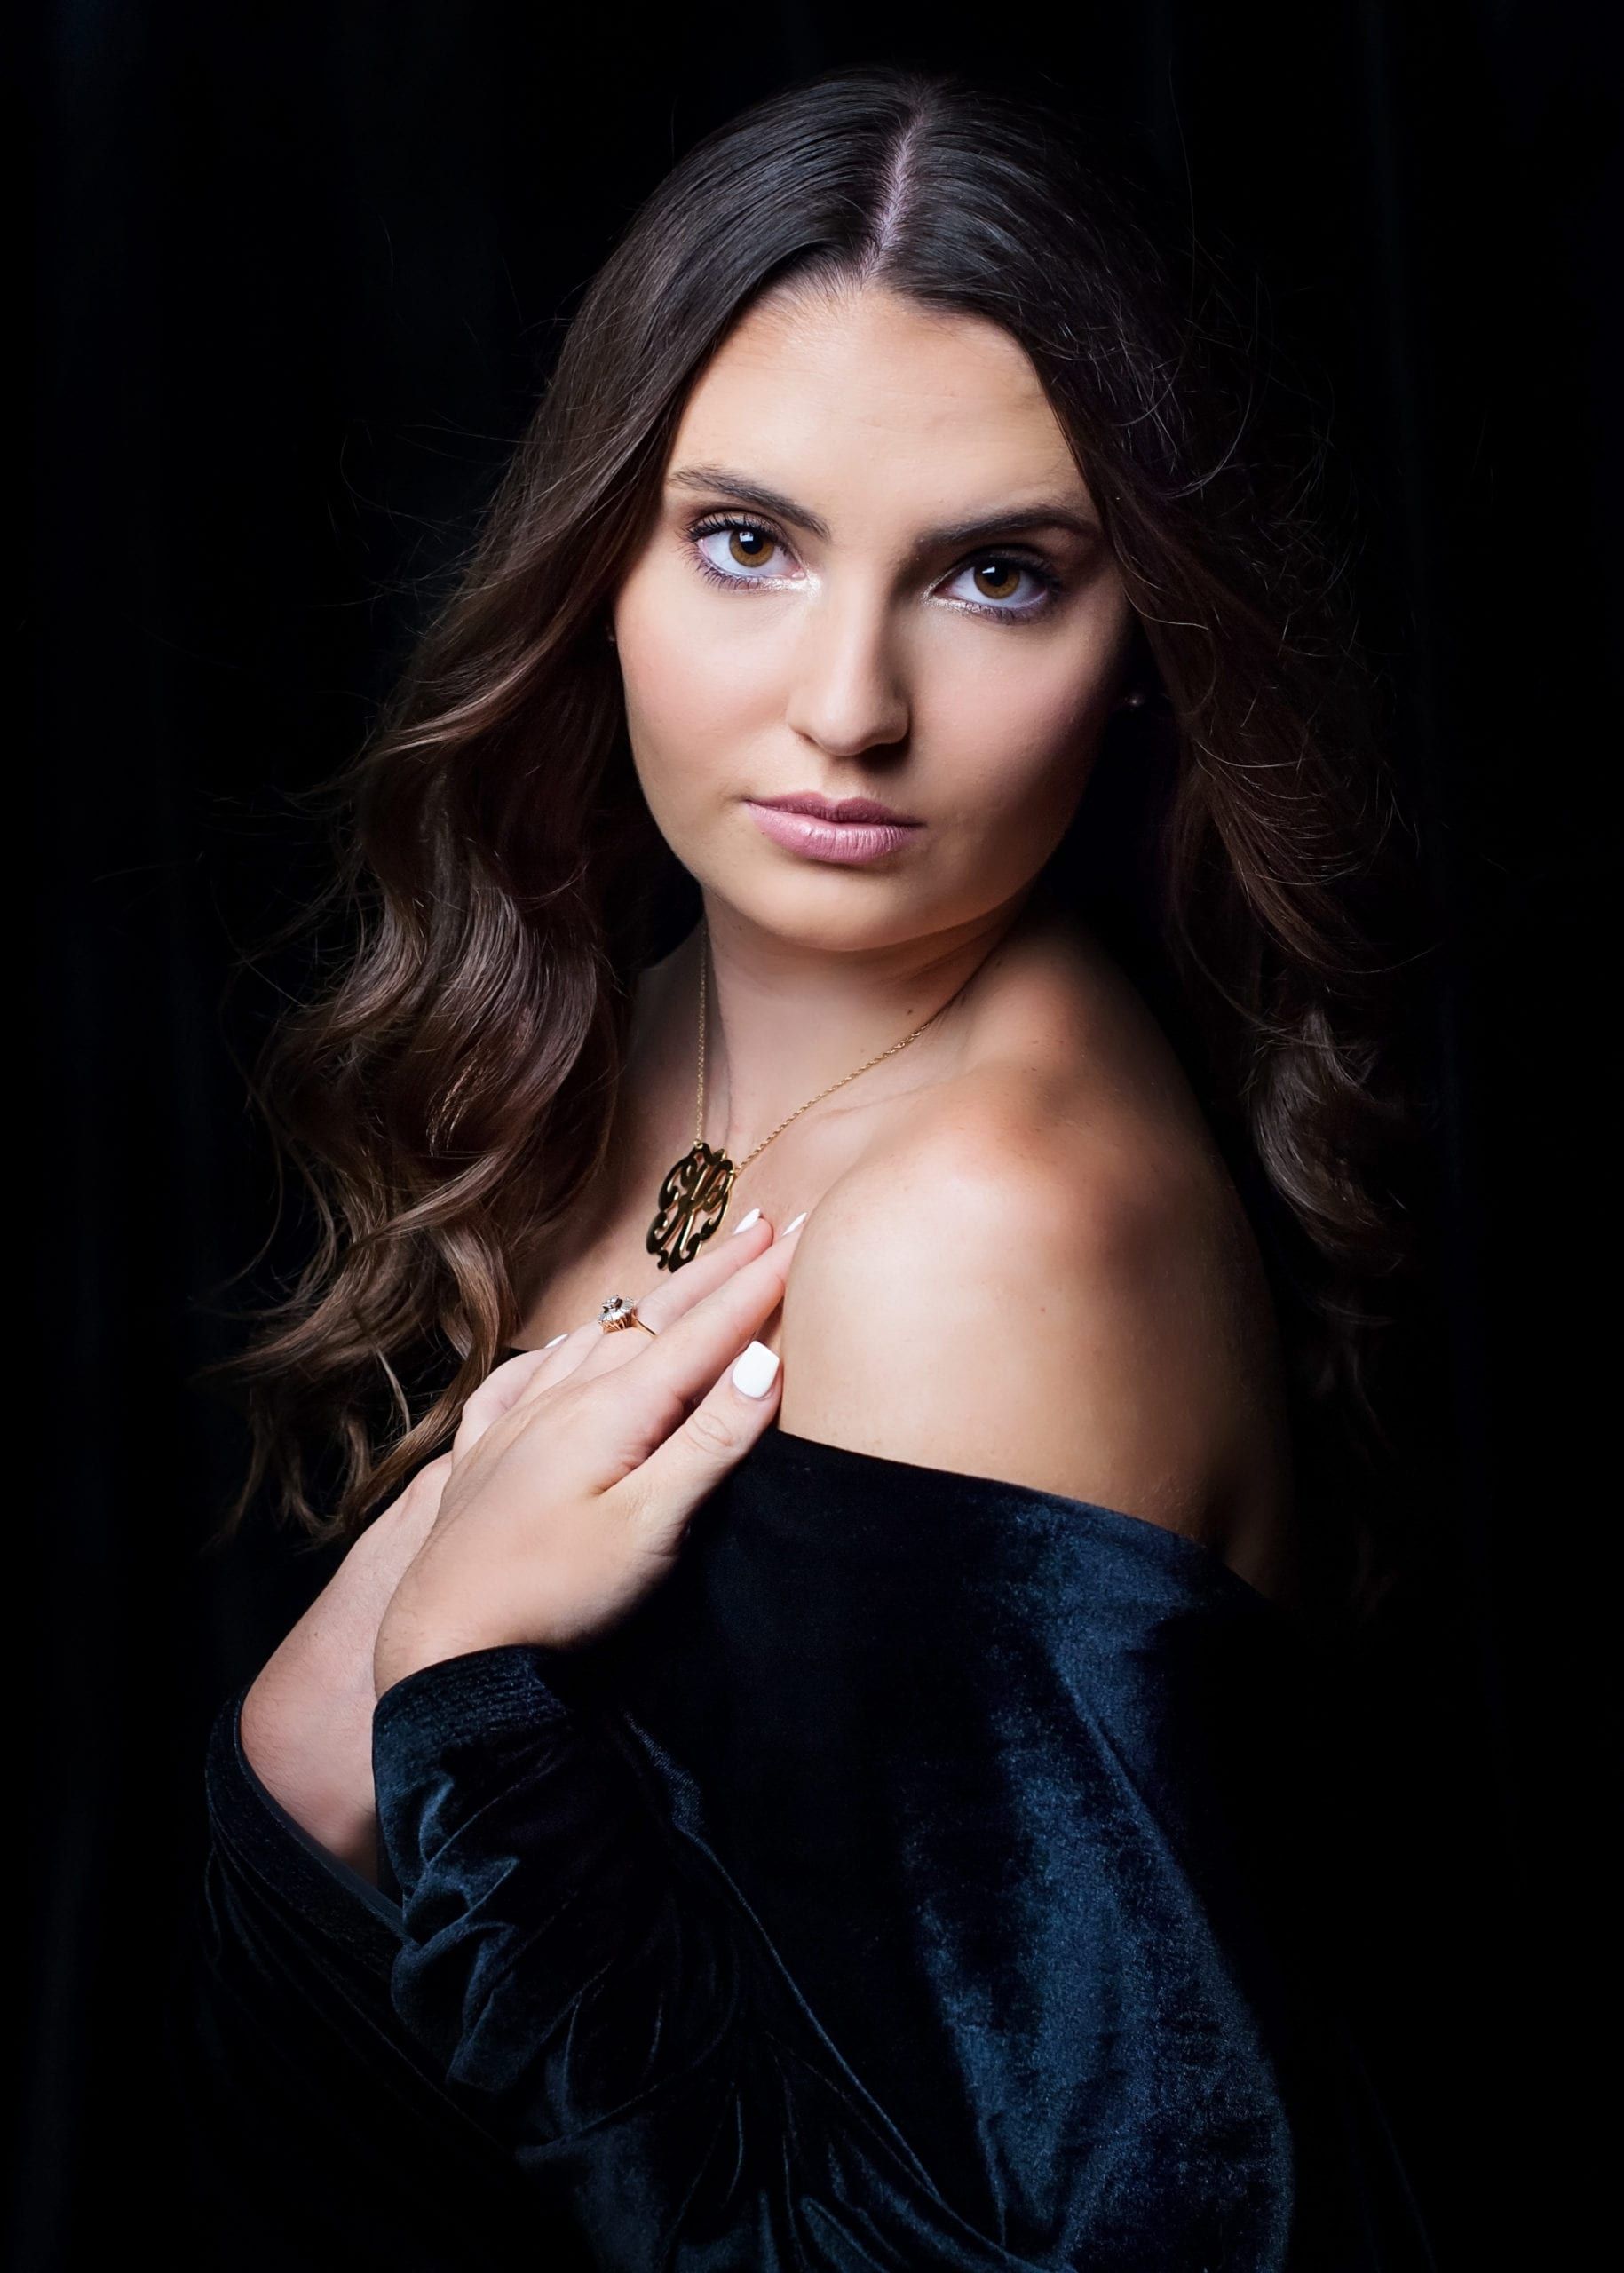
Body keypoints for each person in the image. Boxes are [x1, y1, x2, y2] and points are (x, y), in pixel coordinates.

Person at [164, 62, 1438, 2271]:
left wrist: (452, 1682)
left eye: (998, 575)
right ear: (602, 564)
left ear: (1141, 637)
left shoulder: (992, 1239)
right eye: (749, 541)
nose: (848, 706)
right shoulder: (668, 1006)